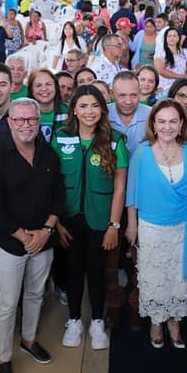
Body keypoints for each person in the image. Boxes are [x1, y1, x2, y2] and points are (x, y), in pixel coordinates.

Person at [0, 98, 63, 373]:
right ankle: (4, 358)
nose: (25, 125)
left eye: (31, 119)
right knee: (7, 304)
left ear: (39, 121)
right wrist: (24, 236)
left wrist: (46, 231)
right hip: (11, 245)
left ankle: (28, 341)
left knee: (35, 295)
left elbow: (59, 196)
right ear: (9, 122)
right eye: (19, 120)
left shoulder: (48, 153)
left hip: (44, 241)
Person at [52, 84, 127, 350]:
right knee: (73, 270)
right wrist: (57, 222)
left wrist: (114, 225)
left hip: (100, 219)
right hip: (68, 220)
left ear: (103, 110)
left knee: (97, 271)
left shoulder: (115, 139)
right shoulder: (61, 137)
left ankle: (97, 320)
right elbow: (52, 182)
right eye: (83, 106)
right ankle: (74, 320)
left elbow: (120, 186)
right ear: (74, 109)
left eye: (95, 106)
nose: (89, 111)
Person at [125, 98, 187, 348]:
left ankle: (174, 321)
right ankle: (156, 321)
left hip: (183, 225)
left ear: (181, 124)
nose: (167, 127)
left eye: (173, 121)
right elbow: (131, 192)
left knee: (179, 277)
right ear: (153, 124)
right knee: (155, 277)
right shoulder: (142, 152)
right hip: (151, 226)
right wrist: (131, 225)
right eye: (162, 121)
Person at [26, 69, 67, 143]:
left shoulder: (68, 111)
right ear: (32, 90)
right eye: (38, 85)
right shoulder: (24, 114)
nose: (44, 89)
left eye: (48, 84)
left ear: (56, 87)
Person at [154, 27, 187, 92]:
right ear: (165, 38)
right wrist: (181, 77)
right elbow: (161, 71)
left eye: (174, 36)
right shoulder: (161, 52)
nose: (172, 38)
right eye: (169, 36)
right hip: (165, 87)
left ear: (178, 38)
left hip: (181, 86)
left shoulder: (183, 52)